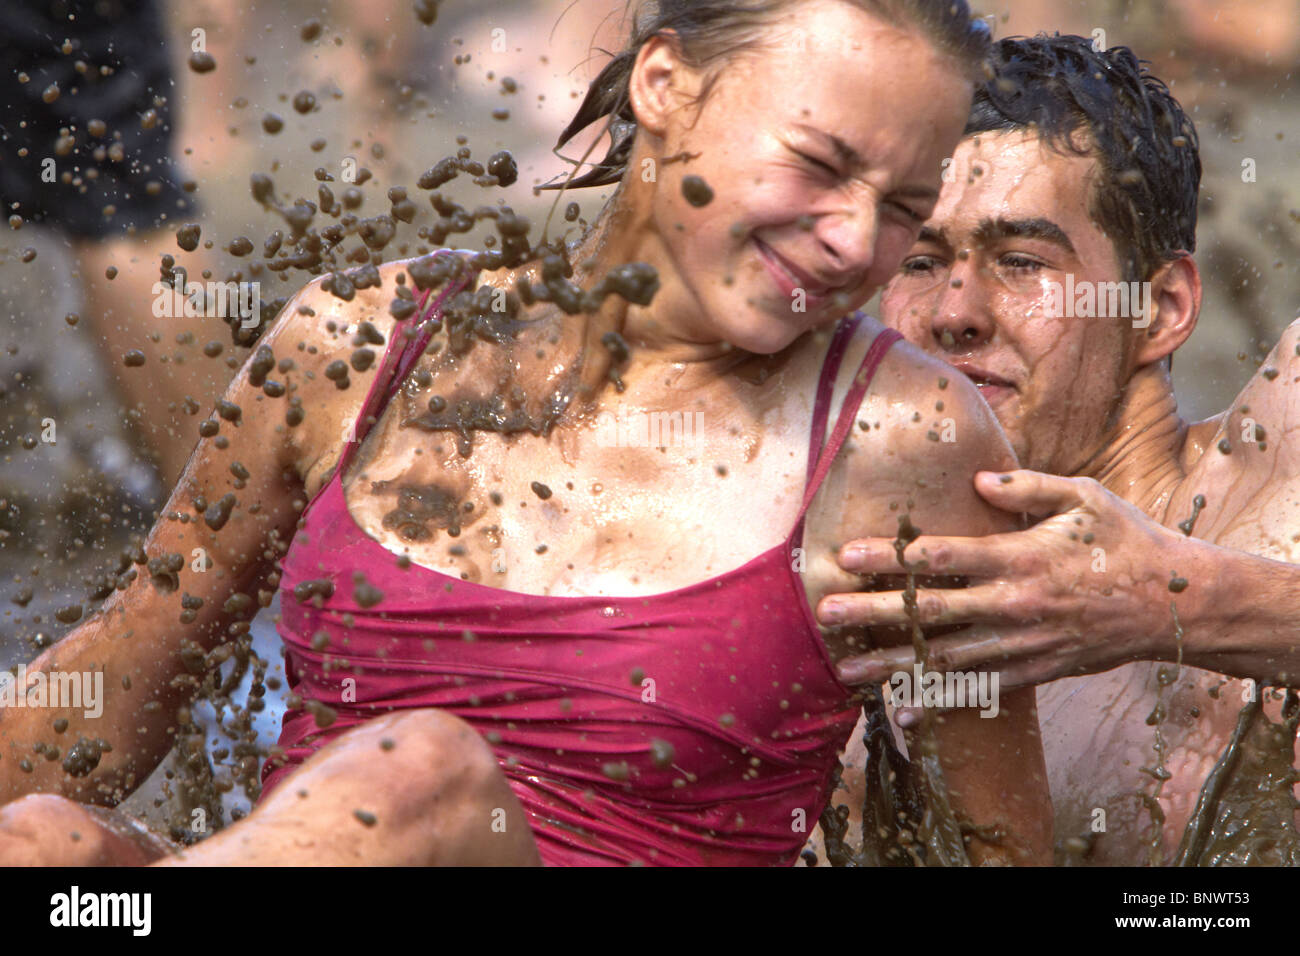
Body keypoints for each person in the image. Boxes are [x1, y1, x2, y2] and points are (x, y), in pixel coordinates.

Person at [0, 0, 1054, 866]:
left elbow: (996, 848)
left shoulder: (899, 438)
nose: (854, 241)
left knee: (416, 776)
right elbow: (107, 699)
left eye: (903, 209)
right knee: (49, 845)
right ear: (662, 84)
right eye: (821, 165)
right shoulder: (360, 345)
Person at [822, 33, 1300, 864]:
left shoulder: (1282, 440)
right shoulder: (864, 620)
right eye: (923, 261)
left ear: (1159, 309)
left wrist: (1170, 600)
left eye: (1019, 261)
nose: (956, 312)